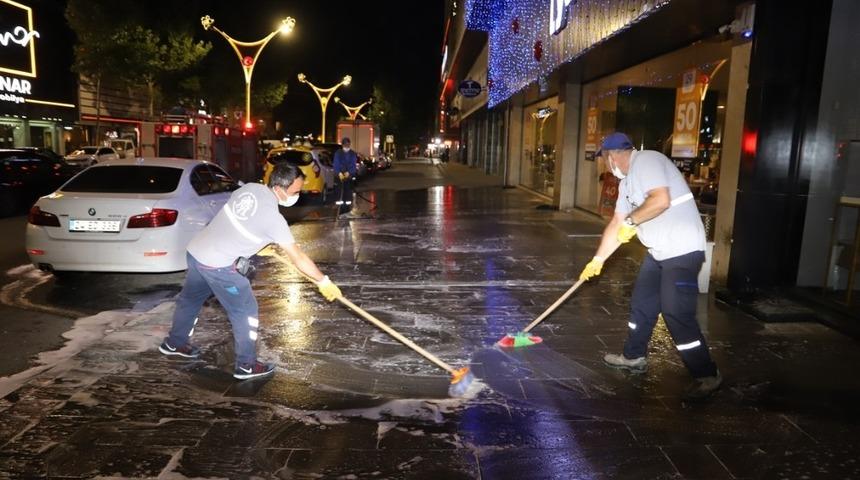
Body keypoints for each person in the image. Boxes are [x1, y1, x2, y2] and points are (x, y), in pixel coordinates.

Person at [159, 162, 342, 380]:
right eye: (295, 191)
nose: (298, 195)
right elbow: (298, 258)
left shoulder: (250, 189)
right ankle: (246, 365)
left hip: (197, 252)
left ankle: (174, 343)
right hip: (216, 264)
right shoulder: (275, 220)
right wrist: (323, 281)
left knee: (190, 300)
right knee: (245, 311)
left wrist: (255, 244)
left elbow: (240, 220)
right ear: (280, 188)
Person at [579, 132, 721, 400]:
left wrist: (632, 223)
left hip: (682, 250)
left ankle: (706, 374)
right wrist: (597, 260)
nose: (604, 165)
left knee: (675, 312)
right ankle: (633, 357)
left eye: (604, 159)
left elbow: (660, 200)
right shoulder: (626, 183)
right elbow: (616, 224)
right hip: (658, 252)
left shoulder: (648, 161)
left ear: (613, 156)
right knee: (642, 304)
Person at [333, 137, 358, 216]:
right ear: (342, 144)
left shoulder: (352, 153)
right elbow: (336, 163)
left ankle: (347, 209)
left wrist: (349, 173)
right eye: (345, 144)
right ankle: (340, 209)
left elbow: (353, 165)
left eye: (348, 144)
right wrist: (339, 173)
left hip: (348, 177)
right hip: (339, 176)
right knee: (339, 192)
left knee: (348, 193)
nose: (347, 146)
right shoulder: (338, 153)